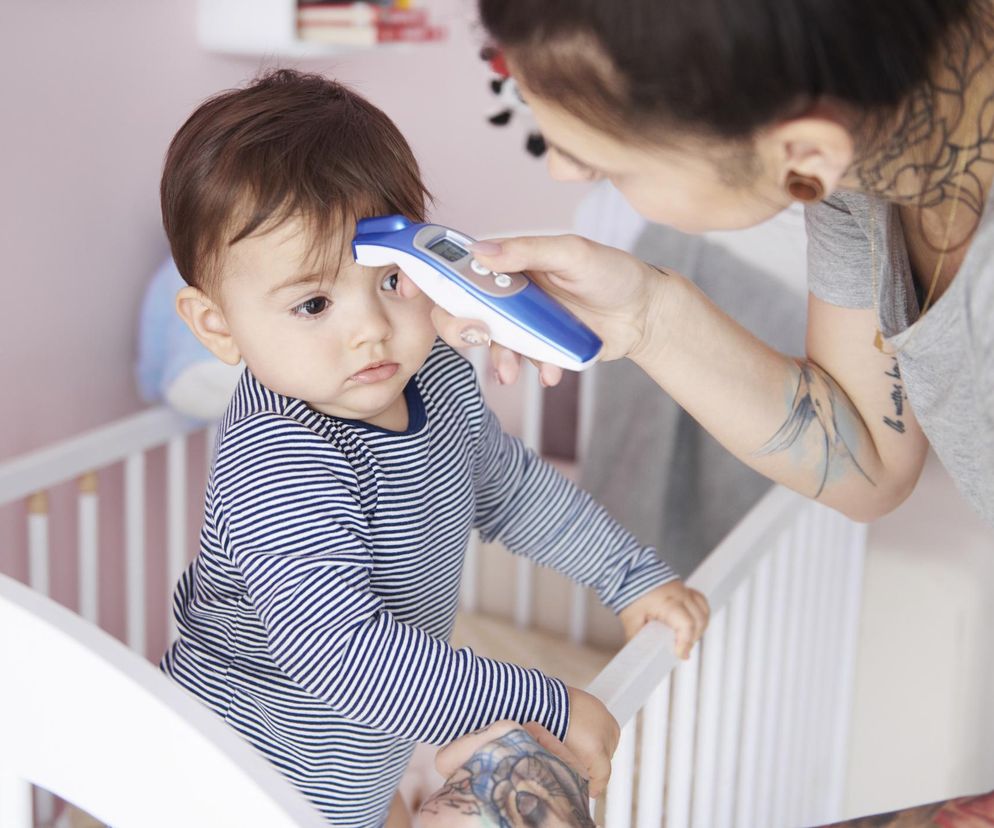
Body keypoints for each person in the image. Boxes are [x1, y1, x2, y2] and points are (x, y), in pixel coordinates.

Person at [404, 0, 994, 820]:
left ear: (801, 153)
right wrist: (648, 315)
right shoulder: (865, 165)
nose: (567, 175)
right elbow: (867, 454)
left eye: (613, 166)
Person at [157, 68, 708, 828]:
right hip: (225, 786)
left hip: (348, 772)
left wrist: (629, 577)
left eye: (391, 280)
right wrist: (539, 702)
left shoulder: (439, 379)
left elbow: (513, 492)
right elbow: (342, 654)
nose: (369, 329)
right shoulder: (279, 458)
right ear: (217, 326)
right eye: (314, 303)